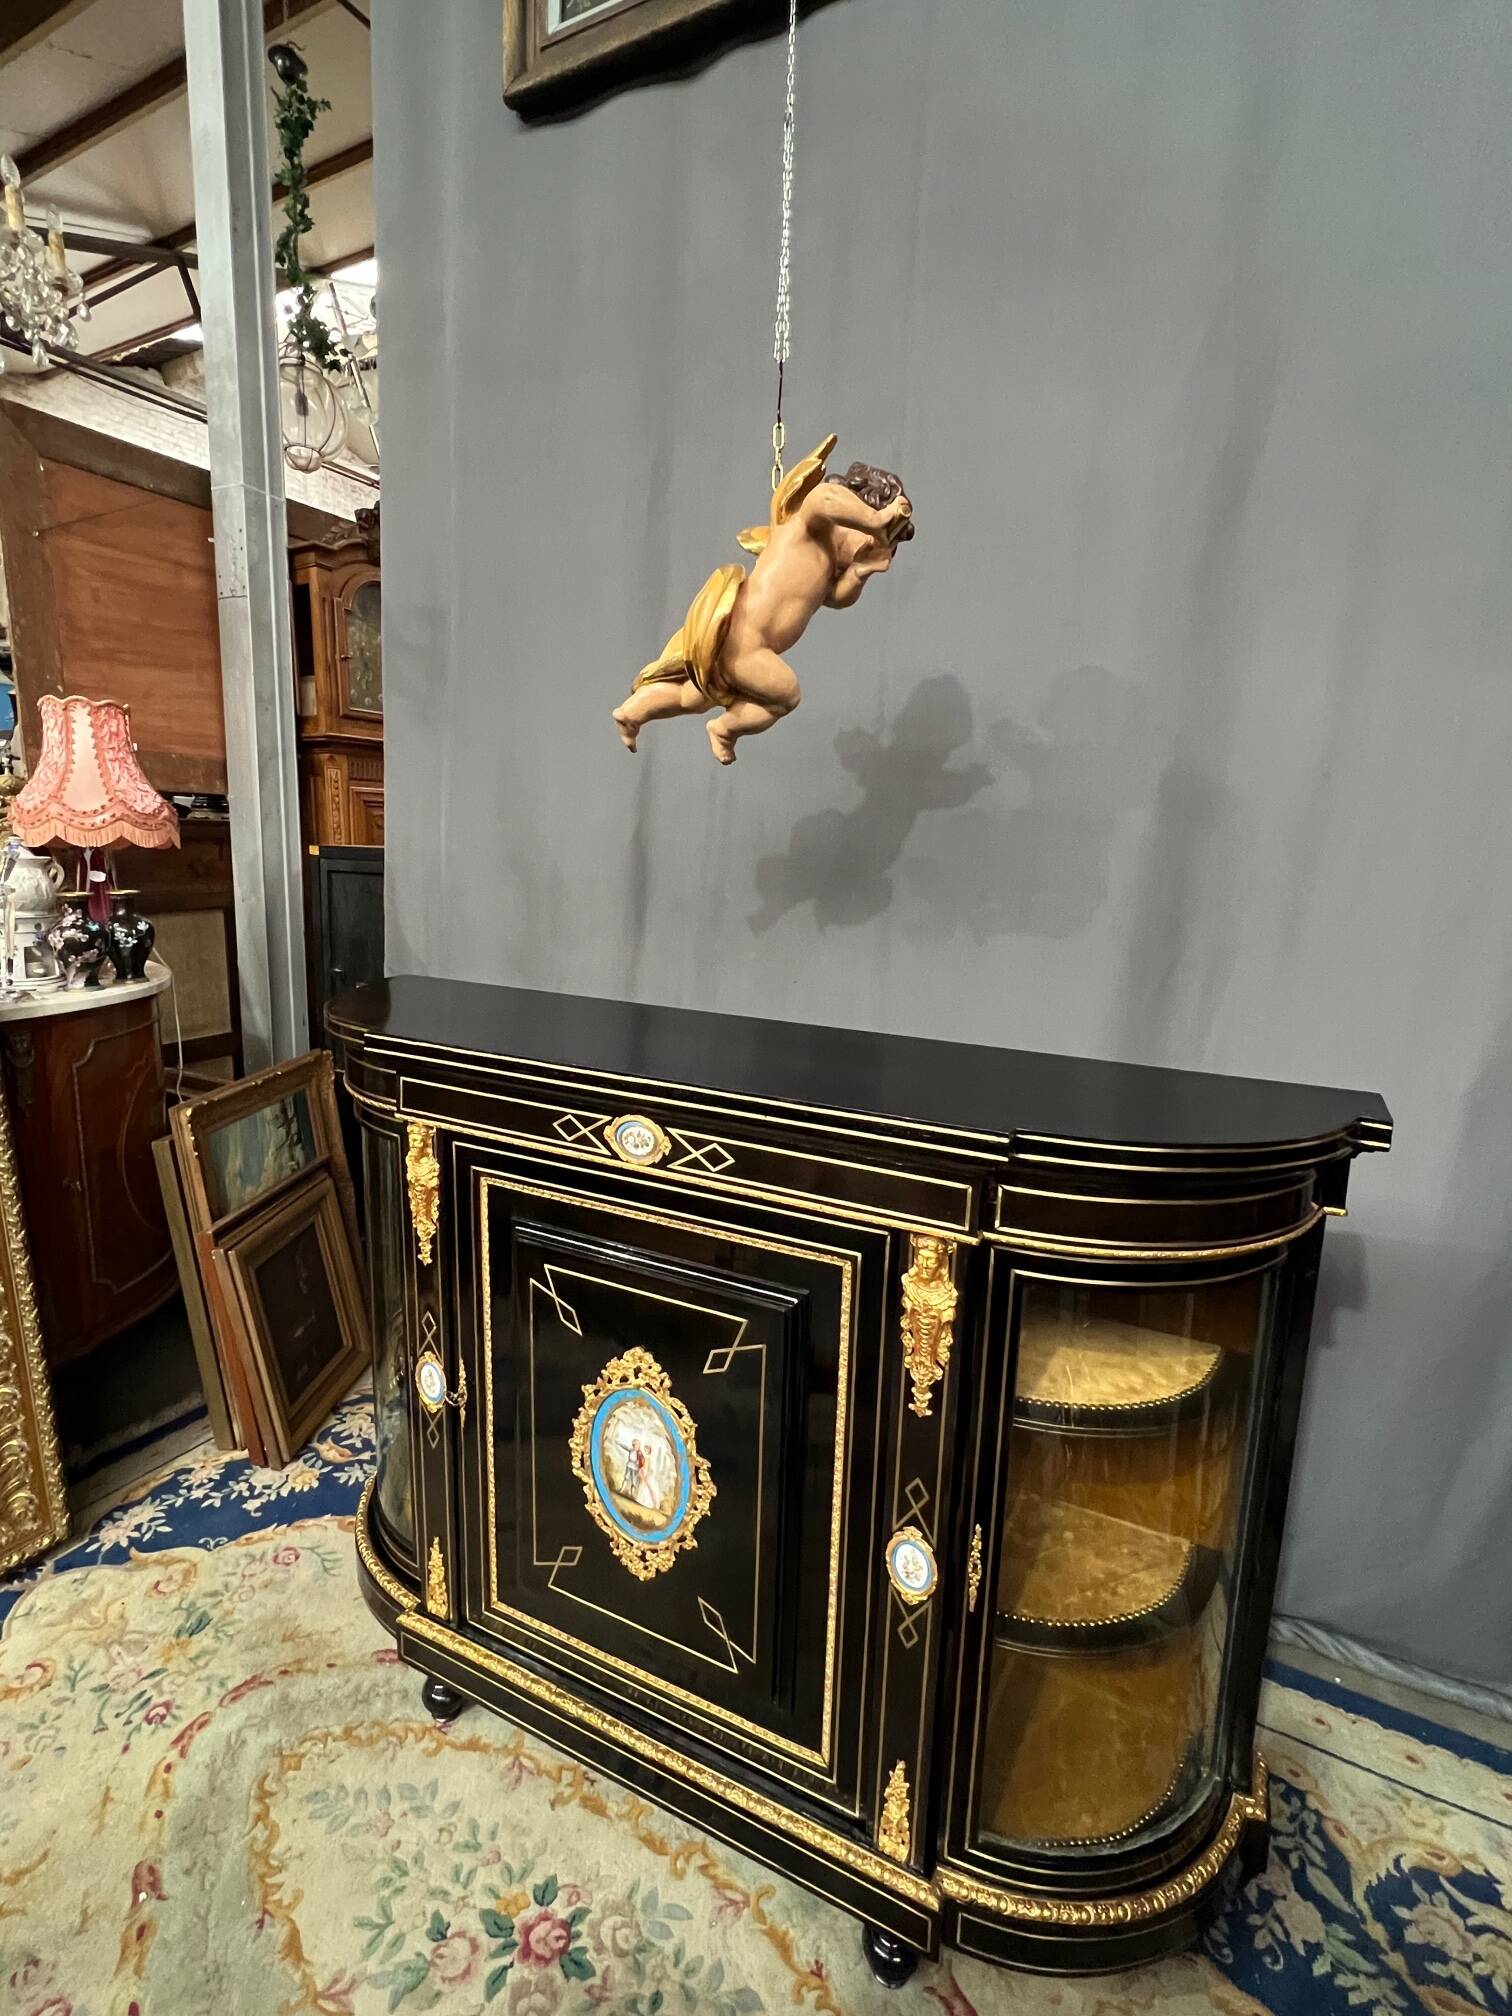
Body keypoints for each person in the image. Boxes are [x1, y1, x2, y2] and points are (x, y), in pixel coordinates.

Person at [612, 436, 915, 765]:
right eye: (867, 539)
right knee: (787, 694)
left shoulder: (828, 567)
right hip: (746, 637)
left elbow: (837, 599)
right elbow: (827, 497)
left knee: (692, 697)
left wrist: (860, 570)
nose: (867, 546)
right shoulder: (810, 524)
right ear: (858, 508)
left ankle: (632, 713)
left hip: (745, 645)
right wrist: (876, 521)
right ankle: (725, 730)